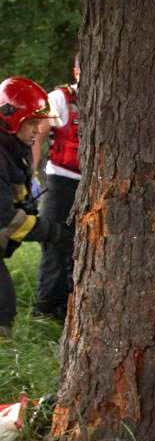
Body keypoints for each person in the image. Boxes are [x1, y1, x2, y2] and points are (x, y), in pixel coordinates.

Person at [0, 77, 68, 337]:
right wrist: (54, 233)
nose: (38, 130)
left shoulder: (13, 149)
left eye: (40, 123)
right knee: (2, 304)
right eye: (31, 123)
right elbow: (6, 219)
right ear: (9, 118)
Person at [31, 54, 80, 320]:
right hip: (60, 180)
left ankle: (72, 308)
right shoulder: (60, 98)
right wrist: (32, 174)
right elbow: (37, 131)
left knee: (80, 247)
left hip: (91, 184)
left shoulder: (111, 98)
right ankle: (47, 309)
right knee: (53, 241)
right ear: (76, 72)